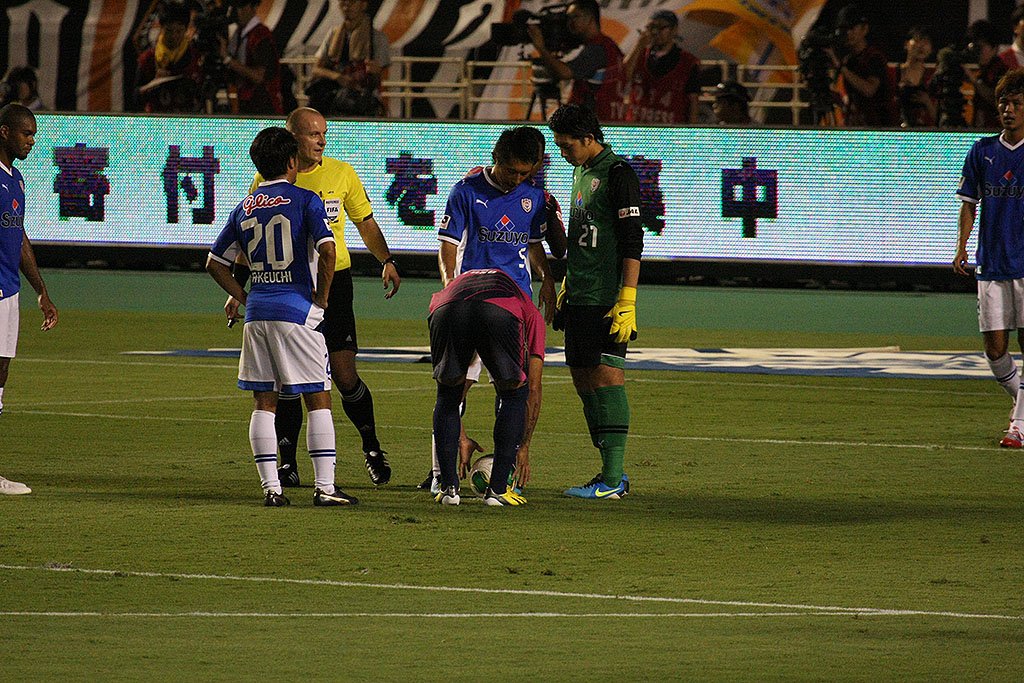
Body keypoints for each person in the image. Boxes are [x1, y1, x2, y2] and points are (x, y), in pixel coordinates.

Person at [226, 107, 400, 487]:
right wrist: (238, 289)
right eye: (313, 134)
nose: (322, 141)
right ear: (293, 140)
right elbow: (251, 239)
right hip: (291, 286)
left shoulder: (342, 173)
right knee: (287, 380)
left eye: (324, 133)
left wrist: (386, 260)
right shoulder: (267, 180)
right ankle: (288, 464)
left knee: (344, 374)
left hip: (334, 284)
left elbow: (365, 222)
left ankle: (371, 447)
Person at [208, 126, 357, 507]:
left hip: (258, 314)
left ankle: (272, 489)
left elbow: (215, 263)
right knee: (318, 397)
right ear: (292, 162)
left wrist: (244, 296)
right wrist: (321, 299)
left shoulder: (244, 207)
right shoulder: (306, 200)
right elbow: (328, 251)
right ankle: (325, 488)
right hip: (297, 312)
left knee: (264, 401)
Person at [422, 126, 557, 494]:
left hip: (513, 303)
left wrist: (546, 278)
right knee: (455, 388)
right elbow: (448, 245)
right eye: (511, 170)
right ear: (496, 159)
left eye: (525, 172)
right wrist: (450, 286)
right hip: (469, 301)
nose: (516, 179)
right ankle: (440, 474)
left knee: (512, 386)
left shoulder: (534, 197)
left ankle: (505, 471)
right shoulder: (466, 191)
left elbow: (533, 244)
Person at [547, 103, 642, 500]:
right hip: (580, 293)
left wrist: (627, 299)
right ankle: (609, 471)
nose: (562, 153)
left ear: (589, 138)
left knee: (606, 377)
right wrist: (567, 281)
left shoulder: (618, 174)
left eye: (567, 145)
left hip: (606, 296)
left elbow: (633, 241)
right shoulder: (580, 171)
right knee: (583, 379)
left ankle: (613, 479)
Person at [429, 268, 545, 506]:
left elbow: (459, 384)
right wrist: (524, 445)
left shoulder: (464, 282)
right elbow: (533, 388)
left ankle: (448, 488)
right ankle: (498, 490)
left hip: (444, 308)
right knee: (514, 393)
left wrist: (460, 435)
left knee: (447, 395)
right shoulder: (530, 312)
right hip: (499, 312)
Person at [954, 69, 1024, 448]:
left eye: (1016, 103)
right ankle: (1022, 405)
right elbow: (969, 203)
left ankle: (1019, 426)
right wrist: (962, 245)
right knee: (995, 350)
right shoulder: (982, 151)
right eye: (1003, 103)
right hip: (991, 264)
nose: (1008, 110)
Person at [0, 103, 59, 495]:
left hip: (10, 291)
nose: (31, 141)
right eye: (26, 133)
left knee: (1, 377)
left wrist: (41, 291)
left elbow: (18, 237)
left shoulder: (16, 180)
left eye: (34, 134)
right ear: (5, 132)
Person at [526, 0, 625, 122]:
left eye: (575, 17)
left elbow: (565, 73)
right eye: (568, 18)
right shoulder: (609, 45)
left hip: (591, 122)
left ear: (590, 18)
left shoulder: (596, 50)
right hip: (608, 119)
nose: (570, 23)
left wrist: (541, 47)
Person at [306, 0, 390, 117]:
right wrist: (337, 77)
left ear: (363, 5)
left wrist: (372, 73)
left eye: (352, 2)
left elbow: (381, 78)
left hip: (361, 100)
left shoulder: (377, 38)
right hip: (334, 99)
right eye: (343, 3)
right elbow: (316, 69)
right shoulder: (333, 34)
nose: (347, 7)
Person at [622, 9, 701, 124]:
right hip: (638, 128)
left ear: (674, 30)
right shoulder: (639, 55)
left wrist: (692, 130)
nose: (655, 32)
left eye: (661, 27)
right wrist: (639, 45)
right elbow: (623, 75)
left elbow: (693, 101)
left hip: (671, 128)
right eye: (651, 27)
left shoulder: (688, 62)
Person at [829, 4, 894, 127]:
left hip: (878, 126)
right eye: (844, 29)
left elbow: (869, 90)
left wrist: (841, 68)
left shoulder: (874, 57)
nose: (848, 33)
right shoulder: (849, 60)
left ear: (865, 29)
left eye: (852, 28)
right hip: (857, 125)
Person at [134, 1, 201, 113]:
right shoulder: (148, 58)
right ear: (161, 28)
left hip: (186, 119)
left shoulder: (195, 56)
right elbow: (135, 97)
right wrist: (151, 85)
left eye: (179, 31)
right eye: (169, 31)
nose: (174, 36)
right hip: (156, 119)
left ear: (186, 30)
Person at [219, 0, 283, 115]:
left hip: (264, 106)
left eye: (242, 7)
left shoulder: (261, 35)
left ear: (254, 7)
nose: (238, 12)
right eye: (236, 7)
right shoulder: (239, 34)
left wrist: (228, 59)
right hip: (246, 103)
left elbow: (258, 76)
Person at [891, 26, 936, 128]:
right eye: (917, 40)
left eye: (926, 42)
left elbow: (938, 117)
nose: (921, 46)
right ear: (906, 44)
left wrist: (927, 101)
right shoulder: (893, 72)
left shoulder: (933, 76)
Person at [968, 20, 1008, 129]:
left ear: (994, 48)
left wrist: (975, 82)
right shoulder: (980, 70)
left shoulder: (1002, 70)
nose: (978, 52)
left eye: (981, 47)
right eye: (975, 47)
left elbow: (997, 100)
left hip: (995, 130)